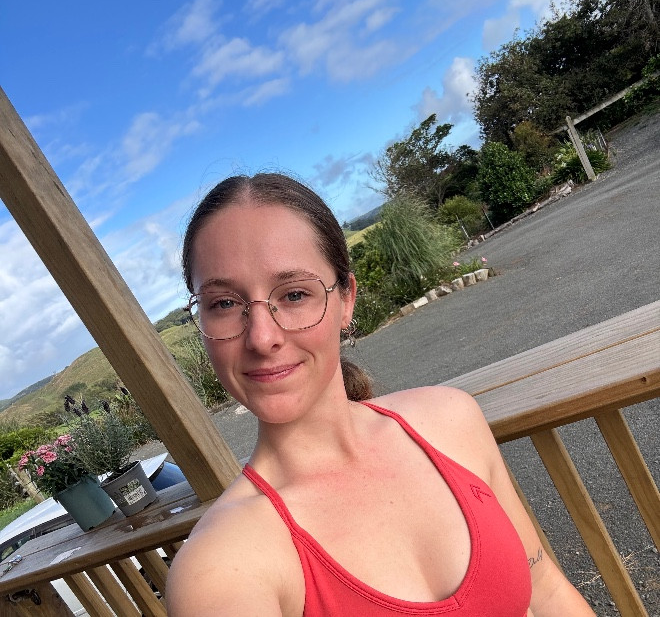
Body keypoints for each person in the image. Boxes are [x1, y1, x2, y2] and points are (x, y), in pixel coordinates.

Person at [166, 173, 595, 616]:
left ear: (346, 299)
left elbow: (545, 588)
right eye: (223, 304)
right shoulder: (219, 568)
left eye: (294, 294)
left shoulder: (452, 420)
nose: (262, 337)